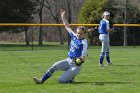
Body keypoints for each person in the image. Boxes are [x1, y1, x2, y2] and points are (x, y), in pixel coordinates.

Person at [33, 10, 88, 84]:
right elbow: (67, 26)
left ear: (84, 34)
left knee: (61, 80)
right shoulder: (74, 36)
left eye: (81, 34)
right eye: (78, 33)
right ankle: (41, 80)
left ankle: (71, 78)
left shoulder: (84, 43)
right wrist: (63, 17)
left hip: (76, 66)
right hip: (68, 60)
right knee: (54, 66)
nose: (79, 35)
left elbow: (83, 59)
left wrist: (80, 59)